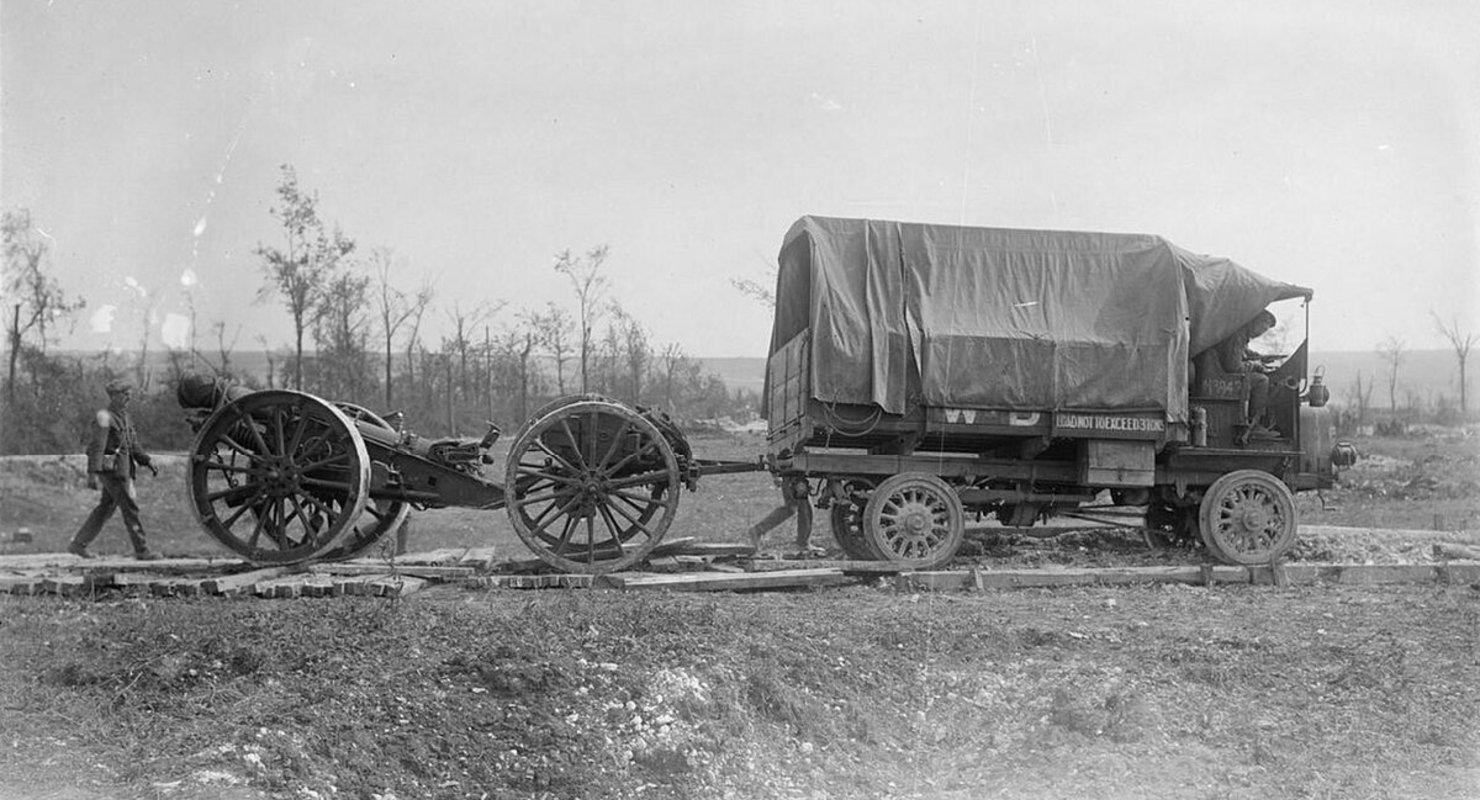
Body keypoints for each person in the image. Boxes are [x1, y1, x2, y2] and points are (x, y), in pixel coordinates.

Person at [67, 378, 159, 560]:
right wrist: (92, 474)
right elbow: (97, 447)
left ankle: (78, 544)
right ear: (114, 396)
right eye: (125, 394)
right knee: (131, 508)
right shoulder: (104, 417)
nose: (128, 398)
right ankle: (142, 550)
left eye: (129, 394)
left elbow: (133, 444)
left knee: (105, 508)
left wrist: (147, 460)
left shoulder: (125, 416)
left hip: (123, 470)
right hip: (112, 472)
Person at [1212, 309, 1280, 441]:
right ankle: (1255, 426)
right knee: (1262, 381)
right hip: (1223, 379)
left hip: (1222, 375)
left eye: (1265, 330)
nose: (1261, 333)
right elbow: (1233, 366)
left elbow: (1244, 352)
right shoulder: (1238, 335)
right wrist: (1256, 365)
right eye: (1262, 327)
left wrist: (1261, 357)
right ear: (1254, 321)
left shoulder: (1241, 335)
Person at [745, 475, 818, 556]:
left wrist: (776, 476)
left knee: (790, 508)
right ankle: (803, 543)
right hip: (794, 477)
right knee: (805, 508)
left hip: (789, 477)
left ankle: (758, 530)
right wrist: (776, 476)